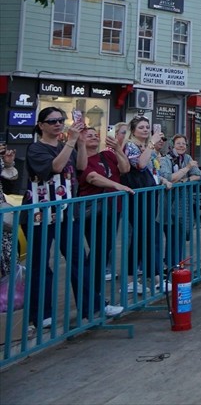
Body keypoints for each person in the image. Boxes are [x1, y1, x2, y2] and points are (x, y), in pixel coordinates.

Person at [25, 107, 92, 336]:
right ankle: (41, 315)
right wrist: (71, 142)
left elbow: (81, 167)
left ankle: (89, 308)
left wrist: (80, 143)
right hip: (40, 215)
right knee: (41, 265)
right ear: (41, 125)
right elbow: (54, 168)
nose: (58, 124)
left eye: (61, 120)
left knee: (78, 260)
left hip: (65, 212)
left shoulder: (67, 146)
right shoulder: (36, 148)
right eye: (52, 121)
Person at [77, 125, 130, 319]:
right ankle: (94, 301)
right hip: (94, 211)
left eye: (94, 135)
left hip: (113, 208)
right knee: (97, 253)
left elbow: (125, 169)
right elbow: (91, 177)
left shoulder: (105, 156)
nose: (92, 137)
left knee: (103, 251)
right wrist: (116, 185)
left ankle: (96, 299)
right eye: (87, 135)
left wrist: (117, 148)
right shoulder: (81, 160)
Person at [123, 116, 167, 295]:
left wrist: (162, 180)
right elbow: (140, 165)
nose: (145, 130)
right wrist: (151, 145)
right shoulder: (131, 146)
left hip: (150, 193)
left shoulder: (147, 146)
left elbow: (152, 170)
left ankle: (146, 278)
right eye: (141, 127)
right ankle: (140, 279)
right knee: (142, 236)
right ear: (132, 130)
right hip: (138, 195)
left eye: (147, 127)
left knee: (146, 236)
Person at [161, 135, 201, 272]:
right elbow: (169, 178)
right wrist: (187, 169)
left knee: (180, 233)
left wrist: (184, 180)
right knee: (170, 232)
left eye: (184, 143)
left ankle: (177, 263)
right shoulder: (165, 159)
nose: (181, 146)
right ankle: (169, 264)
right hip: (168, 202)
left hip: (183, 202)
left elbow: (198, 175)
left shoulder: (187, 158)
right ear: (172, 145)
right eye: (178, 143)